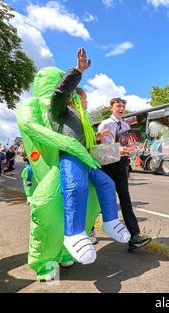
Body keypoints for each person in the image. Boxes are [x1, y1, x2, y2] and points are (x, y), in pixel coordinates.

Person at [49, 48, 130, 264]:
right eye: (85, 100)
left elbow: (90, 146)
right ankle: (73, 233)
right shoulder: (60, 111)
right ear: (75, 99)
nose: (87, 104)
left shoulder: (83, 120)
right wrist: (78, 71)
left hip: (86, 158)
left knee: (106, 183)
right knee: (77, 186)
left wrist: (113, 147)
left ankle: (110, 221)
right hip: (70, 155)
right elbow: (59, 94)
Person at [97, 97, 152, 252]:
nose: (121, 109)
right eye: (118, 106)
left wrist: (133, 148)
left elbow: (128, 145)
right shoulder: (105, 124)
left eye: (123, 106)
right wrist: (116, 149)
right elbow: (99, 149)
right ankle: (89, 230)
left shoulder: (127, 126)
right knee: (100, 201)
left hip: (121, 165)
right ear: (111, 108)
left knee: (125, 200)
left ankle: (134, 237)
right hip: (106, 165)